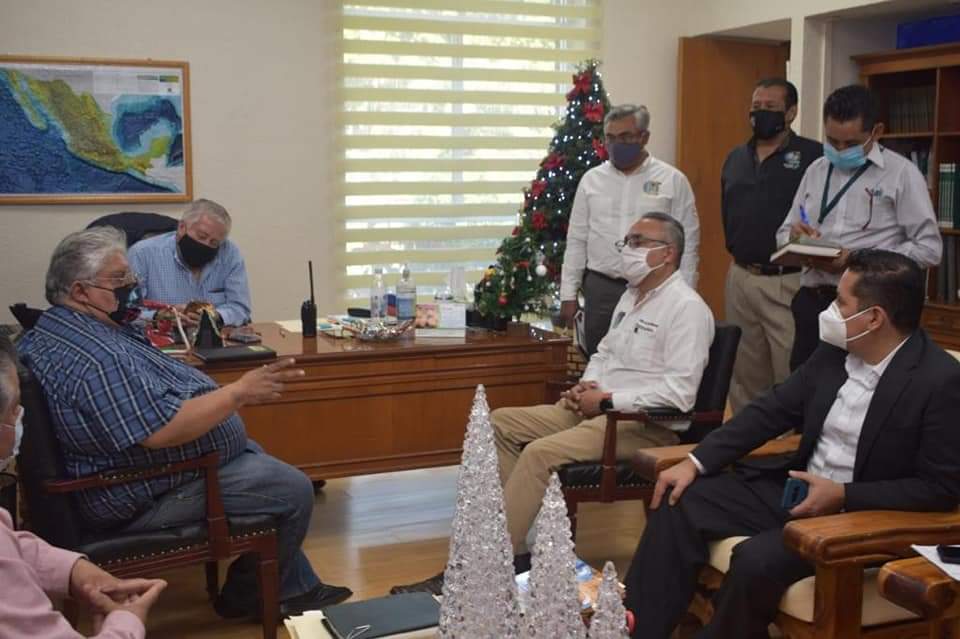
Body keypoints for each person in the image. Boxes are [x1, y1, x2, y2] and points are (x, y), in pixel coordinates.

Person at [623, 249, 960, 639]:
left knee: (754, 560)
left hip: (859, 519)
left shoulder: (940, 381)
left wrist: (843, 495)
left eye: (841, 302)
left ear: (874, 318)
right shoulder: (835, 353)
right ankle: (630, 631)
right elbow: (770, 410)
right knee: (680, 498)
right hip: (797, 492)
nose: (830, 310)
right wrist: (695, 461)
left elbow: (939, 488)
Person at [18, 227, 351, 620]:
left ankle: (292, 585)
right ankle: (246, 597)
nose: (133, 288)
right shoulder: (95, 360)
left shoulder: (67, 329)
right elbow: (160, 432)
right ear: (80, 291)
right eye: (120, 280)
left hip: (143, 472)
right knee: (293, 489)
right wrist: (237, 393)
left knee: (257, 457)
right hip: (133, 493)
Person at [391, 213, 714, 596]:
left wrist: (608, 400)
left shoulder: (687, 309)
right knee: (498, 423)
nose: (628, 250)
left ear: (668, 253)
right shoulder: (632, 296)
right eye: (626, 241)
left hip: (642, 425)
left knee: (539, 454)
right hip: (598, 409)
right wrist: (586, 386)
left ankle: (478, 570)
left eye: (638, 242)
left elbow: (679, 394)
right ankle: (514, 555)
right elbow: (605, 353)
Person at [0, 334, 168, 638]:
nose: (20, 417)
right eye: (14, 409)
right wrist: (127, 622)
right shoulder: (96, 362)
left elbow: (10, 543)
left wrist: (75, 571)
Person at [776, 84, 941, 371]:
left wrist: (856, 258)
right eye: (832, 141)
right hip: (814, 304)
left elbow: (929, 249)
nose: (840, 151)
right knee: (806, 389)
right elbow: (783, 233)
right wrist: (795, 239)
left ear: (876, 132)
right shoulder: (816, 170)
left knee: (861, 390)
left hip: (870, 310)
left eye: (851, 143)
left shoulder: (901, 174)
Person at [559, 104, 701, 356]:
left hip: (654, 288)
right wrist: (568, 294)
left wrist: (686, 293)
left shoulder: (672, 180)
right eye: (610, 138)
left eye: (625, 137)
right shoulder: (591, 180)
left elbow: (688, 243)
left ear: (644, 137)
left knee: (648, 359)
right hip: (602, 288)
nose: (616, 144)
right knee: (600, 359)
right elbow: (577, 240)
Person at [721, 78, 822, 414]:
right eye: (756, 106)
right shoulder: (736, 157)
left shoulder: (814, 157)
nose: (760, 113)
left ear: (791, 112)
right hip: (741, 277)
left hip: (787, 279)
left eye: (770, 107)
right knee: (744, 370)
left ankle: (788, 439)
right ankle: (746, 438)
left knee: (789, 369)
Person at [128, 198, 252, 326]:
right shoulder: (142, 254)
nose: (206, 245)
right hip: (161, 334)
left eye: (214, 242)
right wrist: (161, 316)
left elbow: (241, 308)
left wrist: (214, 316)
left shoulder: (229, 254)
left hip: (214, 335)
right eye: (202, 236)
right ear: (182, 227)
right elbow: (128, 314)